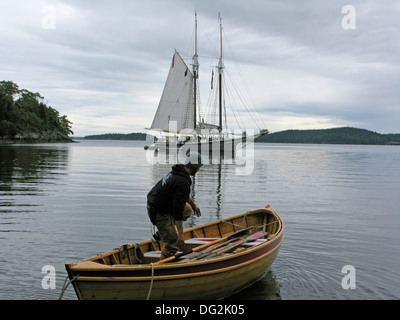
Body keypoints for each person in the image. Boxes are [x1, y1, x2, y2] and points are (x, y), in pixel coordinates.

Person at [147, 152, 202, 260]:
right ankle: (159, 271)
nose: (199, 169)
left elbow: (181, 195)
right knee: (172, 243)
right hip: (158, 211)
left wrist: (194, 205)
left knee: (188, 210)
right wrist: (180, 234)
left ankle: (162, 232)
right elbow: (177, 210)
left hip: (159, 205)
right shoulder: (182, 181)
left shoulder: (179, 172)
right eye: (199, 167)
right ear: (194, 166)